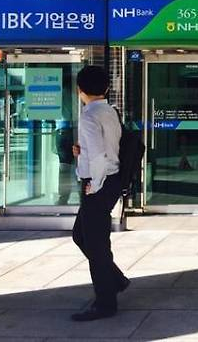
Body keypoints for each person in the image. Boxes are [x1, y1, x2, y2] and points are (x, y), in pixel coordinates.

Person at [71, 66, 129, 321]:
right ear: (106, 88)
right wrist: (81, 151)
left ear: (80, 90)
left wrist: (94, 185)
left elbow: (97, 155)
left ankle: (106, 303)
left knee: (96, 244)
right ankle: (115, 279)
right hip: (111, 179)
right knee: (81, 235)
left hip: (98, 183)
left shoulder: (89, 116)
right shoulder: (110, 111)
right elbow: (106, 146)